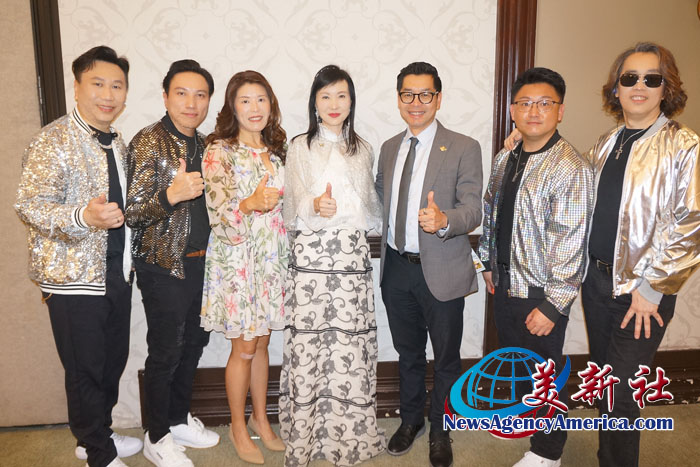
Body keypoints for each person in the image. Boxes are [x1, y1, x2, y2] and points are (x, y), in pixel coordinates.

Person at [505, 42, 700, 467]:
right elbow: (573, 180)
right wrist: (525, 138)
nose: (639, 86)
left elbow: (692, 222)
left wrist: (652, 289)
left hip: (643, 293)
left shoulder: (684, 145)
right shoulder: (607, 142)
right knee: (607, 383)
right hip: (597, 283)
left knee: (623, 390)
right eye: (629, 78)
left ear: (666, 88)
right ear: (616, 88)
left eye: (651, 78)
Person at [15, 45, 141, 467]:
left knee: (111, 362)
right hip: (71, 278)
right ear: (77, 86)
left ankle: (95, 436)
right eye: (98, 84)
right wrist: (83, 216)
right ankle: (98, 454)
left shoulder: (118, 142)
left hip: (116, 272)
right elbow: (30, 206)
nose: (108, 94)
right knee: (85, 368)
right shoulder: (52, 140)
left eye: (117, 86)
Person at [478, 67, 594, 467]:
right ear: (512, 110)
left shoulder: (570, 167)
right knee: (521, 364)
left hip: (540, 294)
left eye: (545, 103)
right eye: (525, 103)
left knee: (547, 373)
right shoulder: (507, 157)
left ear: (560, 111)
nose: (533, 111)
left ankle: (548, 452)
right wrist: (488, 263)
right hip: (505, 283)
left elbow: (572, 241)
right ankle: (531, 427)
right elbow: (491, 211)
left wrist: (553, 304)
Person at [375, 61, 483, 467]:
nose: (416, 102)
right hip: (397, 268)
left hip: (443, 268)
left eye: (425, 94)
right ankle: (411, 421)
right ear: (398, 98)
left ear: (438, 99)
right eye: (408, 94)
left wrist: (444, 220)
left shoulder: (463, 146)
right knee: (408, 353)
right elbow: (380, 198)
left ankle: (441, 429)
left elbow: (474, 209)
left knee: (447, 358)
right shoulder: (389, 148)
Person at [279, 64, 386, 466]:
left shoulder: (364, 149)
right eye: (325, 96)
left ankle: (350, 436)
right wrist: (315, 205)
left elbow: (372, 208)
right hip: (310, 259)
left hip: (351, 257)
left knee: (348, 345)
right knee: (310, 346)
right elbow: (291, 207)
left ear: (352, 101)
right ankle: (306, 436)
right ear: (314, 103)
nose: (334, 103)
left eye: (342, 95)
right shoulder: (299, 147)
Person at [126, 59, 220, 467]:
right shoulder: (148, 141)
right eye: (181, 93)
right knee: (166, 350)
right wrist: (171, 195)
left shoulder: (207, 144)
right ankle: (156, 434)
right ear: (166, 96)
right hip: (163, 265)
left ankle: (178, 419)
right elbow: (131, 213)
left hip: (204, 264)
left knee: (195, 344)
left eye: (200, 95)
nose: (191, 103)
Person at [200, 70, 288, 465]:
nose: (255, 108)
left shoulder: (277, 150)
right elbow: (217, 215)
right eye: (245, 100)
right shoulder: (220, 151)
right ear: (232, 108)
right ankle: (238, 425)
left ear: (271, 105)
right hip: (237, 262)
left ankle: (260, 418)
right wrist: (249, 203)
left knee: (263, 342)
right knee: (245, 346)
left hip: (271, 260)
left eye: (261, 99)